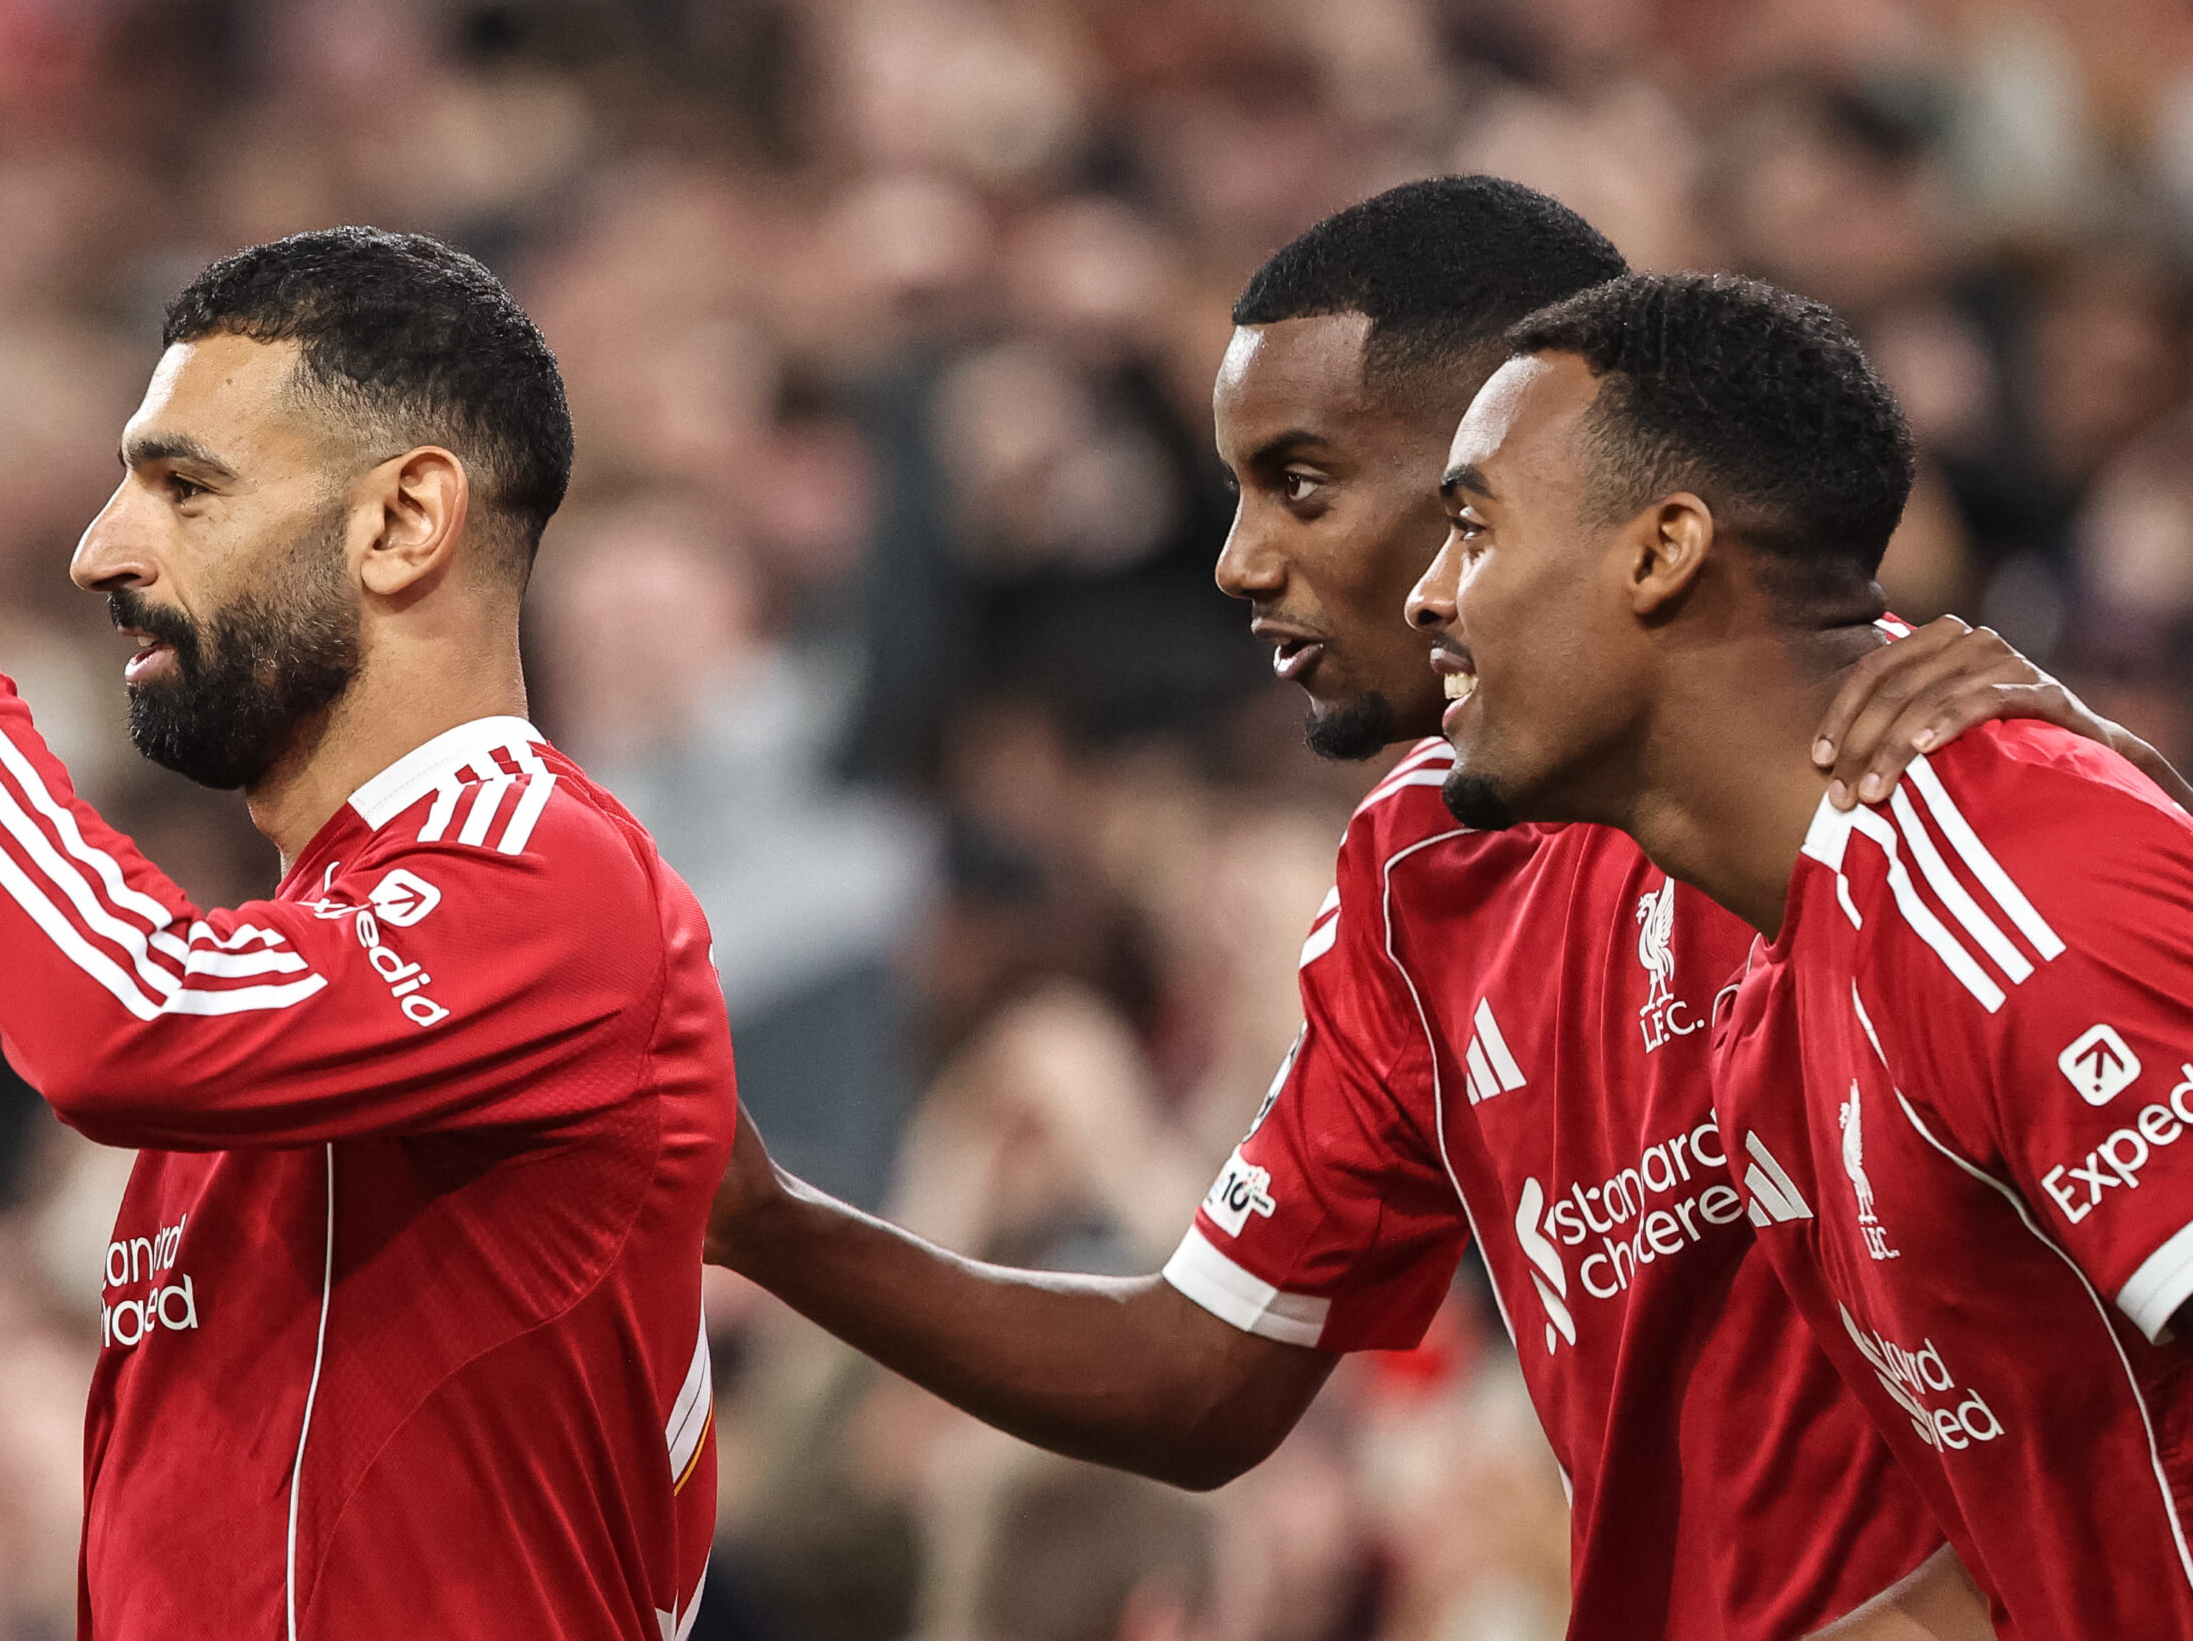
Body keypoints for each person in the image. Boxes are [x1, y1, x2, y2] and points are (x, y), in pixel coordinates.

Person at [709, 178, 2180, 1637]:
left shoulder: (1934, 836)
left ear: (1542, 456)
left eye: (1305, 482)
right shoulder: (1428, 875)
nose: (1242, 559)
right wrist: (767, 1220)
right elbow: (1207, 1367)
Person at [0, 230, 734, 1639]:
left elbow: (128, 1016)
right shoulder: (298, 978)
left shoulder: (551, 874)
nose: (101, 552)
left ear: (403, 522)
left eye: (184, 488)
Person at [1406, 267, 2193, 1637]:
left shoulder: (2007, 875)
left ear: (1662, 551)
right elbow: (2025, 1549)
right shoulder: (1774, 1020)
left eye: (1473, 528)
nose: (1428, 597)